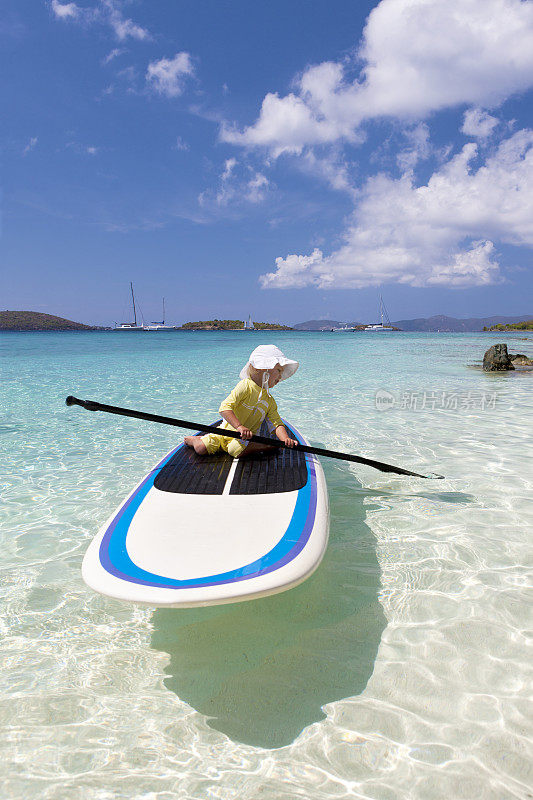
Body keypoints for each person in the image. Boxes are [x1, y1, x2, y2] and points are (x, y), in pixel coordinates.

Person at [184, 344, 299, 458]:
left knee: (235, 451)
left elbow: (276, 424)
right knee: (201, 448)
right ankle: (194, 440)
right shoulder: (245, 386)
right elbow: (224, 408)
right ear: (263, 368)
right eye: (278, 370)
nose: (281, 376)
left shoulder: (270, 401)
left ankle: (259, 445)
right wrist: (239, 426)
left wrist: (285, 439)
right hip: (225, 432)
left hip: (245, 438)